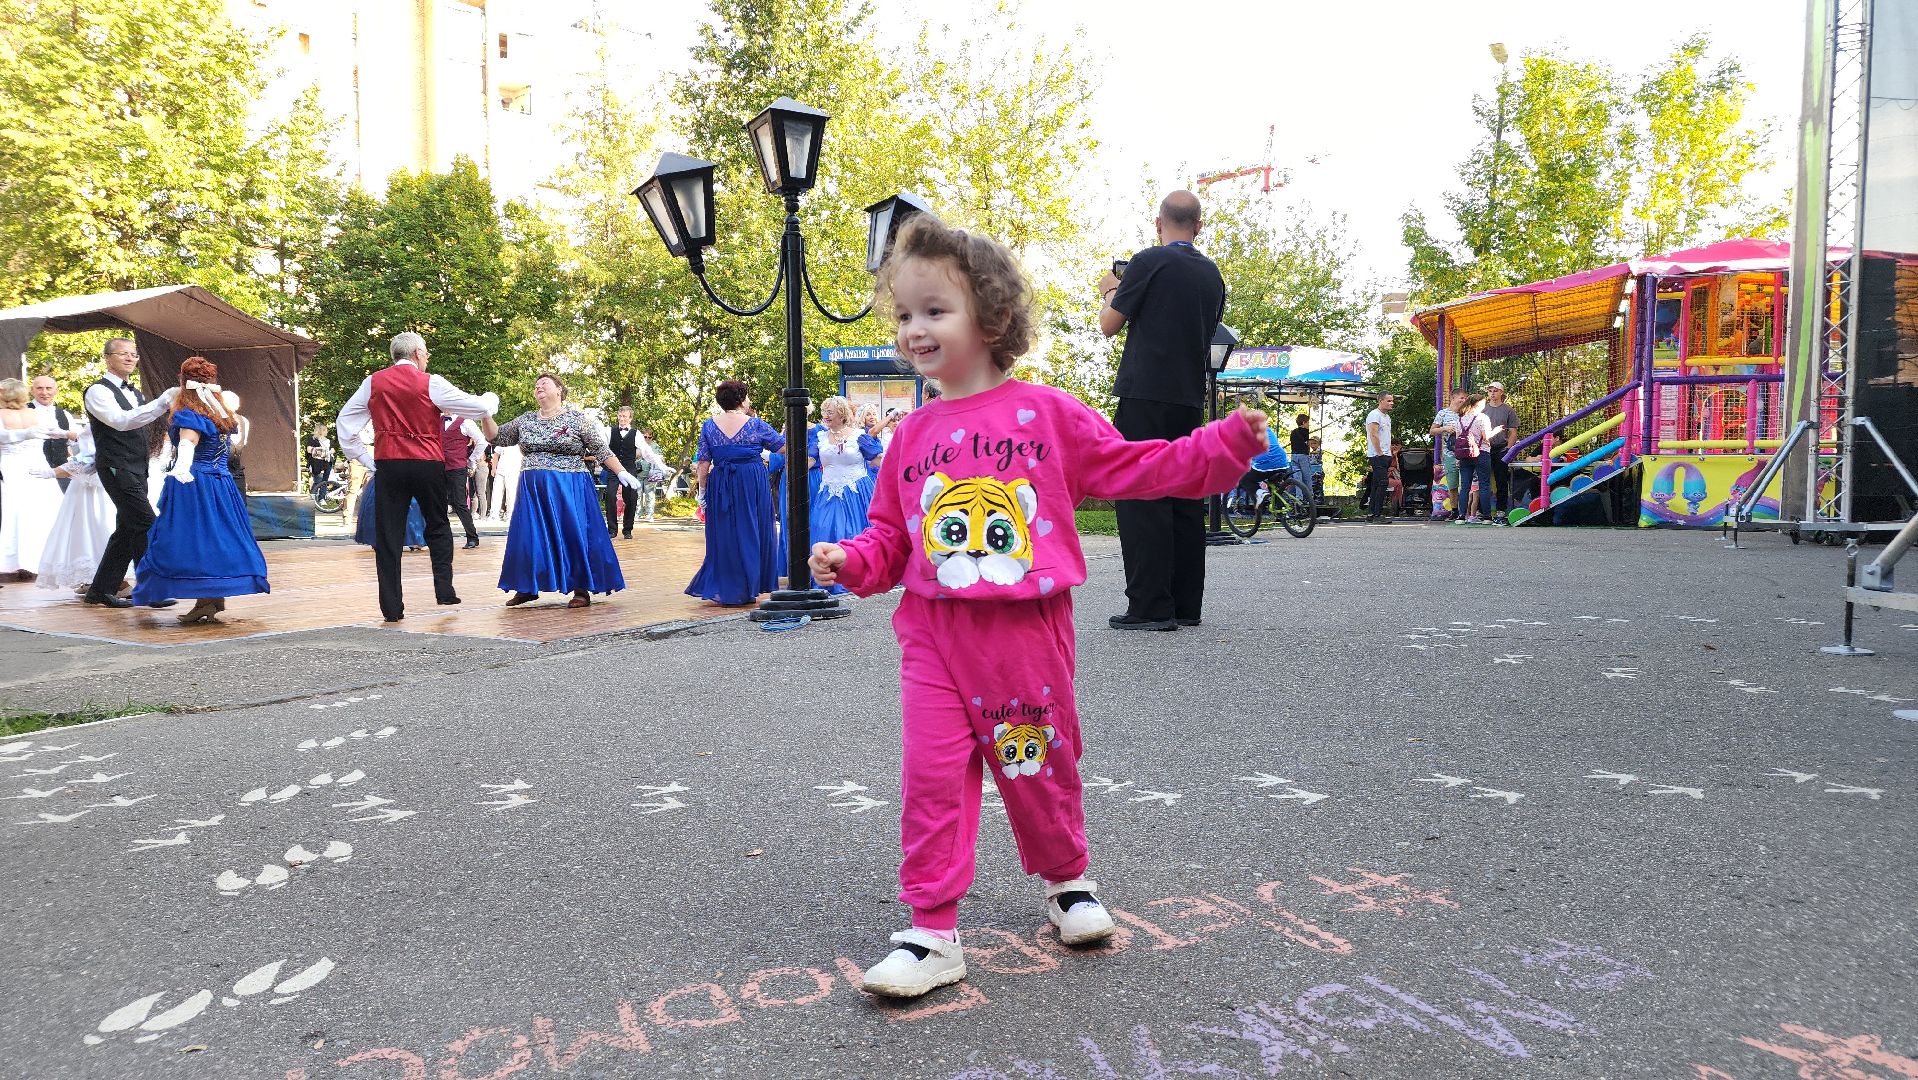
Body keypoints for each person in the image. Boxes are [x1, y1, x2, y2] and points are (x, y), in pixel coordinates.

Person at [808, 214, 1266, 999]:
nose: (915, 329)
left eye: (934, 311)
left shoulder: (1047, 414)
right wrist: (851, 559)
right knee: (933, 776)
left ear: (990, 317)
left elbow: (1136, 466)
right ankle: (931, 931)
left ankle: (1068, 882)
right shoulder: (911, 434)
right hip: (934, 639)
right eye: (906, 315)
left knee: (1037, 767)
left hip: (1024, 636)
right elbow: (893, 539)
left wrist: (1224, 445)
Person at [1096, 189, 1227, 631]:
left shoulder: (1148, 262)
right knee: (1184, 497)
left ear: (1158, 223)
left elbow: (1109, 325)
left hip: (1145, 394)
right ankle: (1186, 604)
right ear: (1199, 226)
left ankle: (1151, 605)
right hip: (1187, 398)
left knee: (1141, 495)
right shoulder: (1212, 275)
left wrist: (1111, 289)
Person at [336, 331, 499, 623]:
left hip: (389, 464)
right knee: (437, 524)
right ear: (417, 354)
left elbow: (345, 423)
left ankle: (391, 607)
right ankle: (444, 588)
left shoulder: (372, 382)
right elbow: (481, 407)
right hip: (427, 463)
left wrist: (367, 459)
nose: (427, 359)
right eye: (426, 354)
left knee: (388, 536)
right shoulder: (431, 383)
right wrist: (491, 398)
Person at [128, 358, 269, 624]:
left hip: (196, 482)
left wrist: (181, 469)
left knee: (191, 540)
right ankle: (211, 600)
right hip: (221, 482)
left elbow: (188, 442)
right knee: (217, 537)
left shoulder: (191, 413)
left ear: (183, 381)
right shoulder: (220, 412)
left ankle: (207, 598)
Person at [83, 338, 180, 608]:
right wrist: (162, 402)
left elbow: (142, 422)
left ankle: (100, 591)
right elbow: (121, 422)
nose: (129, 358)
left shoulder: (134, 393)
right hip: (116, 465)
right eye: (123, 354)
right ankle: (150, 590)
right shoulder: (97, 392)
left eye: (134, 355)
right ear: (107, 358)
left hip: (138, 466)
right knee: (146, 522)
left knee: (127, 529)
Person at [685, 380, 785, 605]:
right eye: (746, 396)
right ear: (741, 399)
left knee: (725, 532)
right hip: (751, 480)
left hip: (721, 482)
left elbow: (703, 462)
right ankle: (751, 585)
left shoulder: (709, 426)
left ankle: (729, 586)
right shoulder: (756, 424)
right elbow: (782, 447)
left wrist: (702, 492)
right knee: (753, 529)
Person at [807, 395, 882, 594]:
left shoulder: (858, 436)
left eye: (830, 412)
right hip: (828, 491)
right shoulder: (821, 437)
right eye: (824, 412)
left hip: (856, 491)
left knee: (852, 531)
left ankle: (856, 576)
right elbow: (809, 461)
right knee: (822, 527)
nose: (825, 416)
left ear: (841, 414)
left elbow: (877, 460)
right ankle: (827, 577)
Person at [1, 378, 73, 581]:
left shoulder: (3, 414)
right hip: (37, 466)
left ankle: (14, 560)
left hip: (14, 466)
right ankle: (43, 559)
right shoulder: (35, 414)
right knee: (39, 511)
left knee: (16, 511)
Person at [36, 421, 117, 594]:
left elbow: (88, 459)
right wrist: (66, 434)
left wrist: (53, 472)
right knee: (85, 530)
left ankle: (113, 580)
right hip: (89, 485)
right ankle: (96, 578)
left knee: (101, 526)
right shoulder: (100, 421)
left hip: (101, 484)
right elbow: (87, 446)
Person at [441, 413, 485, 549]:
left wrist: (471, 460)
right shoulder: (437, 419)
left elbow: (482, 441)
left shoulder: (465, 421)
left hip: (457, 468)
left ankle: (472, 537)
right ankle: (441, 538)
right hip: (439, 466)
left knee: (459, 503)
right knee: (438, 503)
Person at [603, 405, 646, 539]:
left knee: (631, 498)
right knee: (610, 495)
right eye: (620, 416)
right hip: (613, 469)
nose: (622, 419)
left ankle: (627, 529)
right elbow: (602, 448)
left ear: (630, 418)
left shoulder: (636, 433)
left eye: (625, 416)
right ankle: (612, 529)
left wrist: (638, 453)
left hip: (630, 468)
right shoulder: (609, 431)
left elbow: (643, 450)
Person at [1482, 381, 1520, 525]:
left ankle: (1501, 511)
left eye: (1495, 390)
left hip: (1501, 449)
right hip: (1484, 450)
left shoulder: (1508, 410)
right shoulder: (1483, 410)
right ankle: (1482, 512)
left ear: (1501, 393)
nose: (1492, 393)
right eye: (1490, 390)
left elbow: (1513, 431)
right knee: (1482, 481)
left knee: (1501, 481)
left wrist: (1509, 449)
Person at [27, 375, 73, 492]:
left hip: (61, 475)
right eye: (39, 388)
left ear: (56, 391)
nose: (44, 392)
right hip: (32, 474)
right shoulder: (23, 412)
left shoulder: (65, 414)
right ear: (32, 390)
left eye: (48, 388)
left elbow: (73, 441)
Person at [1454, 393, 1494, 524]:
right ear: (1478, 404)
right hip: (1481, 452)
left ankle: (1461, 516)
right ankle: (1487, 517)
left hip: (1464, 455)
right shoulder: (1482, 418)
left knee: (1465, 485)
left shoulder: (1460, 418)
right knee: (1484, 484)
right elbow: (1486, 436)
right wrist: (1497, 431)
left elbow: (1458, 437)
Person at [1430, 389, 1466, 520]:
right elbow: (1432, 430)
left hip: (1465, 454)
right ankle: (1454, 510)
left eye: (1465, 398)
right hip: (1449, 454)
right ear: (1453, 398)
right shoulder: (1443, 413)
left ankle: (1465, 511)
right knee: (1452, 484)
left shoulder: (1465, 414)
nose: (1463, 400)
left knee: (1466, 484)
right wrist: (1445, 428)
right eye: (1461, 398)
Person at [1363, 392, 1396, 522]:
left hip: (1385, 454)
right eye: (1388, 401)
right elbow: (1373, 435)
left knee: (1376, 484)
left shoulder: (1386, 417)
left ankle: (1371, 514)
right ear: (1381, 401)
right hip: (1377, 455)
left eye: (1392, 400)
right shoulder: (1374, 415)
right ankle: (1377, 514)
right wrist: (1380, 453)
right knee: (1383, 483)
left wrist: (1388, 453)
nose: (1391, 403)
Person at [304, 422, 335, 497]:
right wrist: (323, 451)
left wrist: (321, 451)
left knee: (324, 481)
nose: (327, 432)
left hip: (327, 463)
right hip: (316, 464)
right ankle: (312, 497)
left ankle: (322, 498)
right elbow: (309, 449)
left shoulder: (329, 441)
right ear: (321, 431)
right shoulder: (313, 439)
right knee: (318, 481)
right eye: (326, 430)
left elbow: (333, 450)